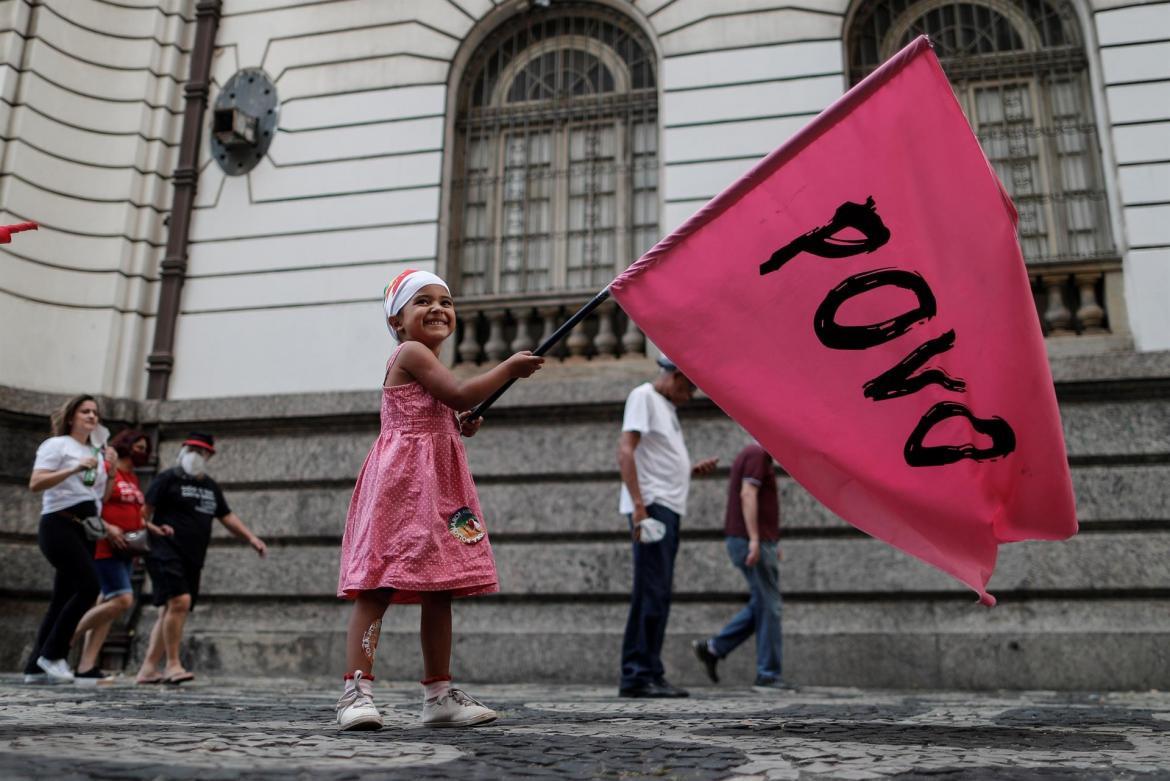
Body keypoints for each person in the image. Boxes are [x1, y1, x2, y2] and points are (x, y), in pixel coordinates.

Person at [334, 269, 543, 731]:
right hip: (403, 485)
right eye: (422, 301)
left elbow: (449, 404)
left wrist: (457, 422)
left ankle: (438, 694)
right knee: (378, 584)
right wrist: (509, 368)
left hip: (436, 486)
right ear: (397, 321)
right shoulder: (411, 352)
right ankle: (356, 690)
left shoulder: (425, 359)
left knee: (440, 585)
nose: (437, 308)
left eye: (445, 301)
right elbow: (458, 392)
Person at [617, 356, 717, 698]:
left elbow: (657, 460)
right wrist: (641, 509)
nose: (691, 395)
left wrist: (688, 470)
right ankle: (637, 673)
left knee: (657, 592)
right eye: (690, 387)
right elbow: (626, 452)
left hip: (667, 507)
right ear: (676, 376)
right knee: (651, 592)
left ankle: (649, 671)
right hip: (654, 508)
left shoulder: (665, 407)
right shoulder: (643, 396)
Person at [135, 432, 266, 685]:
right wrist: (155, 530)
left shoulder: (209, 486)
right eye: (194, 450)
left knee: (171, 609)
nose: (198, 456)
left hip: (193, 556)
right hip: (164, 550)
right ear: (184, 450)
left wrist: (251, 538)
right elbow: (140, 516)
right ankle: (173, 664)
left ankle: (148, 668)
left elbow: (226, 516)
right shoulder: (166, 479)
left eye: (204, 452)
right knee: (180, 602)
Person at [24, 394, 116, 684]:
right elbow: (35, 483)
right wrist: (74, 468)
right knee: (89, 586)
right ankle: (53, 655)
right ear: (71, 417)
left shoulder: (98, 452)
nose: (92, 416)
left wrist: (110, 472)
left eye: (95, 413)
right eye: (85, 411)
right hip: (59, 523)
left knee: (63, 596)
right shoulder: (57, 445)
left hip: (85, 526)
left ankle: (35, 668)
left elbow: (102, 496)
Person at [692, 440, 791, 690]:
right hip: (749, 540)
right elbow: (748, 493)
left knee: (762, 603)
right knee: (770, 606)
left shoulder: (755, 454)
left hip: (755, 539)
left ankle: (714, 648)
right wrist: (756, 539)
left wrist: (769, 539)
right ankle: (767, 675)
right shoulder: (757, 453)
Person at [71, 429, 154, 684]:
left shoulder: (133, 477)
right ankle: (65, 637)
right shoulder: (109, 471)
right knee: (122, 600)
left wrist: (151, 528)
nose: (141, 452)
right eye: (137, 446)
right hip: (104, 546)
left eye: (145, 448)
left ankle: (86, 666)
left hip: (126, 549)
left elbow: (136, 512)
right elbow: (92, 503)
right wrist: (107, 527)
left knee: (107, 607)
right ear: (126, 445)